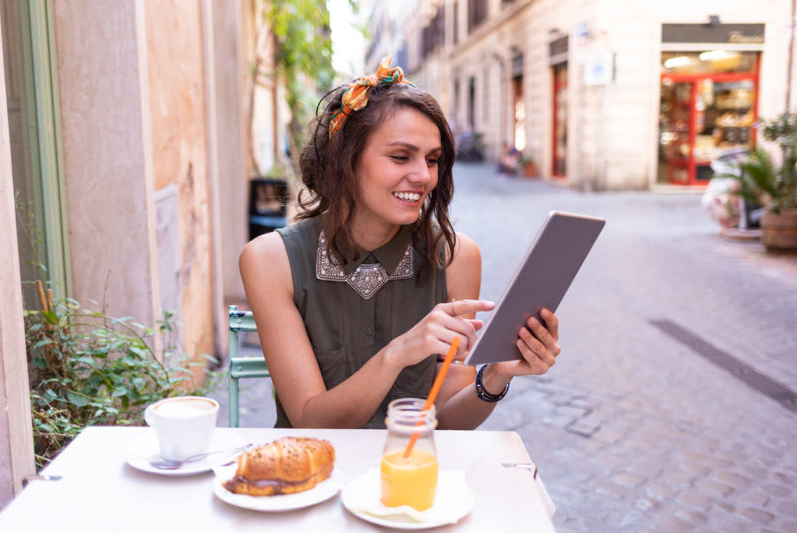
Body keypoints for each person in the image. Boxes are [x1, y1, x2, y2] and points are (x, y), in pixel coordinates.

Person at [239, 57, 561, 430]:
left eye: (433, 160)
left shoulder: (456, 258)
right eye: (400, 157)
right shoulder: (270, 260)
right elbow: (312, 422)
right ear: (346, 159)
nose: (423, 176)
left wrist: (496, 375)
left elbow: (443, 419)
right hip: (314, 478)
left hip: (410, 474)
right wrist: (398, 353)